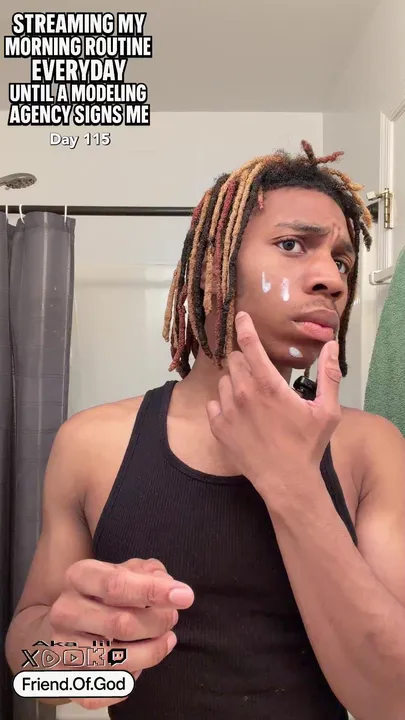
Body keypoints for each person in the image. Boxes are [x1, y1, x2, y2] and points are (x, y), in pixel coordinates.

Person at [5, 141, 405, 720]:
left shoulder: (372, 449)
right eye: (292, 245)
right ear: (213, 265)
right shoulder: (91, 444)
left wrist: (293, 482)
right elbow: (31, 663)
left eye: (341, 262)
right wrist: (79, 655)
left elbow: (392, 701)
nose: (332, 280)